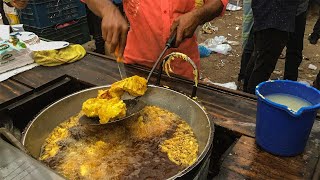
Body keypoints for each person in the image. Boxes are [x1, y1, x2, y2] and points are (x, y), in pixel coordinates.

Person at [84, 0, 228, 80]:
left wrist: (197, 16)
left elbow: (218, 2)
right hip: (136, 66)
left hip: (181, 67)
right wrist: (108, 10)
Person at [243, 0, 306, 94]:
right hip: (276, 17)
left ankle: (247, 92)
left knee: (260, 56)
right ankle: (251, 97)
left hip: (270, 13)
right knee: (264, 63)